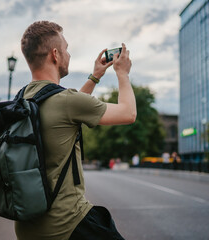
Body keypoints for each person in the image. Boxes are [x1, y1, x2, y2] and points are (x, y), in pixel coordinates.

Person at [14, 21, 136, 240]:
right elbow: (128, 113)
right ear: (55, 55)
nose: (68, 54)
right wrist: (122, 74)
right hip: (67, 223)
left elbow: (68, 113)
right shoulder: (66, 101)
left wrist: (94, 77)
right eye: (66, 49)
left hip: (27, 228)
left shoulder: (22, 99)